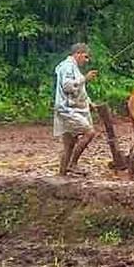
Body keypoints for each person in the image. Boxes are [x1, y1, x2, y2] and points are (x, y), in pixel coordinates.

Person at [53, 43, 98, 176]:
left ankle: (61, 175)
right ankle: (73, 164)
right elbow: (67, 87)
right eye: (86, 57)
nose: (87, 60)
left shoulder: (73, 67)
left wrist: (89, 102)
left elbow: (79, 90)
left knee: (69, 144)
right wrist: (85, 78)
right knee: (89, 133)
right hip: (67, 110)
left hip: (68, 109)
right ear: (78, 53)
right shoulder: (68, 67)